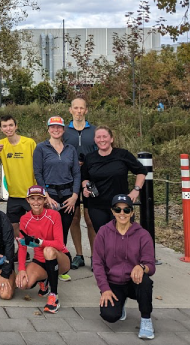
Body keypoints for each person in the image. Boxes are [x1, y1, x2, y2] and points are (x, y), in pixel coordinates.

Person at [93, 195, 156, 339]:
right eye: (118, 209)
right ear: (113, 211)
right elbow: (97, 263)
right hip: (113, 283)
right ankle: (119, 304)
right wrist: (105, 289)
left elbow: (150, 265)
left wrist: (141, 267)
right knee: (109, 316)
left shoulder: (143, 234)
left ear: (132, 212)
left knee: (145, 281)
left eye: (126, 210)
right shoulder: (103, 232)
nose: (122, 213)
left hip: (134, 281)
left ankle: (146, 320)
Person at [33, 116, 80, 282]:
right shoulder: (41, 148)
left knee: (63, 231)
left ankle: (62, 266)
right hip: (50, 194)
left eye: (59, 127)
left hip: (67, 194)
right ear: (48, 129)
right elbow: (38, 173)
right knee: (48, 232)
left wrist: (75, 196)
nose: (56, 130)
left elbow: (76, 173)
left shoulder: (70, 149)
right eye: (52, 127)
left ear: (63, 129)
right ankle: (46, 263)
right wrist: (46, 196)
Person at [81, 126, 147, 234]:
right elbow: (84, 177)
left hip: (121, 205)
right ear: (95, 140)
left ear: (111, 139)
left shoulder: (123, 154)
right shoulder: (89, 158)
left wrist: (136, 189)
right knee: (104, 238)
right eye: (98, 137)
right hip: (97, 206)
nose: (102, 140)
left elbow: (141, 171)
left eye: (104, 136)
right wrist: (85, 187)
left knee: (123, 237)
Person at [16, 185, 71, 314]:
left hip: (60, 257)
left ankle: (54, 296)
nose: (36, 202)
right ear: (27, 200)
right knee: (23, 284)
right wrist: (21, 269)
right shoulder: (25, 219)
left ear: (45, 200)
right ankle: (44, 280)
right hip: (40, 260)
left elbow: (59, 243)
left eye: (39, 199)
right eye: (32, 199)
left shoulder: (54, 215)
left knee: (48, 250)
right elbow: (22, 246)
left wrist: (40, 243)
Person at [0, 115, 37, 236]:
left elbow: (39, 164)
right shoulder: (1, 144)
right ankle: (21, 251)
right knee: (14, 225)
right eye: (4, 126)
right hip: (14, 194)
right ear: (1, 129)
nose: (8, 128)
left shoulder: (29, 143)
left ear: (16, 126)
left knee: (36, 224)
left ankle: (39, 253)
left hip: (31, 193)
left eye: (10, 125)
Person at [63, 98, 97, 270]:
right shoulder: (63, 132)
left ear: (86, 110)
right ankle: (79, 255)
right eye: (75, 108)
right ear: (70, 110)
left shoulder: (95, 131)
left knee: (91, 219)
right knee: (74, 218)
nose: (78, 111)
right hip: (70, 179)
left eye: (81, 108)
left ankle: (95, 256)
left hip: (91, 180)